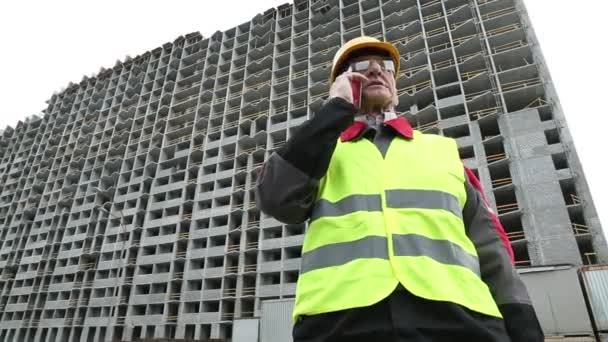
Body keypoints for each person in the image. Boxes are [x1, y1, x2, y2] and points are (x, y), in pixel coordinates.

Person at [256, 36, 544, 342]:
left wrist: (522, 325)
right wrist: (334, 109)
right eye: (363, 66)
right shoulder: (319, 152)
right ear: (343, 81)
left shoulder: (442, 151)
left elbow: (491, 247)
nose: (376, 72)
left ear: (395, 83)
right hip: (340, 324)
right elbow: (275, 199)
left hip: (463, 322)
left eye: (386, 67)